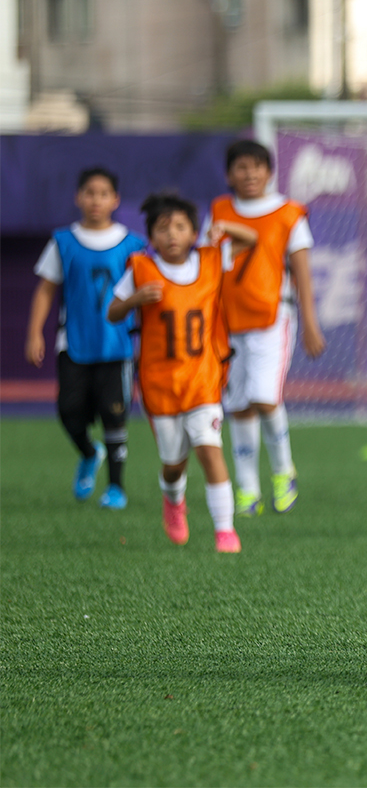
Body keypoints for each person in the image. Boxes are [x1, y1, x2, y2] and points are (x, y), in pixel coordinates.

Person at [108, 193, 257, 553]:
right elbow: (113, 312)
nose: (172, 235)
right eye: (163, 229)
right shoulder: (140, 270)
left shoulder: (210, 259)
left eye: (180, 227)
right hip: (160, 384)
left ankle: (225, 530)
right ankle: (173, 500)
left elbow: (252, 239)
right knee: (174, 464)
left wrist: (224, 227)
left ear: (194, 233)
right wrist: (132, 301)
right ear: (152, 237)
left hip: (203, 379)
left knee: (210, 450)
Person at [201, 140, 325, 518]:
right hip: (228, 322)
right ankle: (247, 489)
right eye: (241, 167)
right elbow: (208, 263)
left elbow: (301, 271)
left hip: (273, 318)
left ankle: (283, 471)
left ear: (269, 171)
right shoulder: (219, 211)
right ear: (228, 174)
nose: (249, 174)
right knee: (238, 406)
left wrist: (310, 322)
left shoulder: (288, 213)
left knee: (264, 398)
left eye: (257, 166)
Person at [25, 167, 147, 510]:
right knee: (69, 411)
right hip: (75, 343)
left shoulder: (134, 244)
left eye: (103, 193)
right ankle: (88, 452)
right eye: (90, 193)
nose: (96, 200)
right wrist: (34, 331)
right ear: (78, 197)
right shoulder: (63, 241)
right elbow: (46, 290)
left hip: (117, 346)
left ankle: (116, 488)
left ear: (116, 200)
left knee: (115, 414)